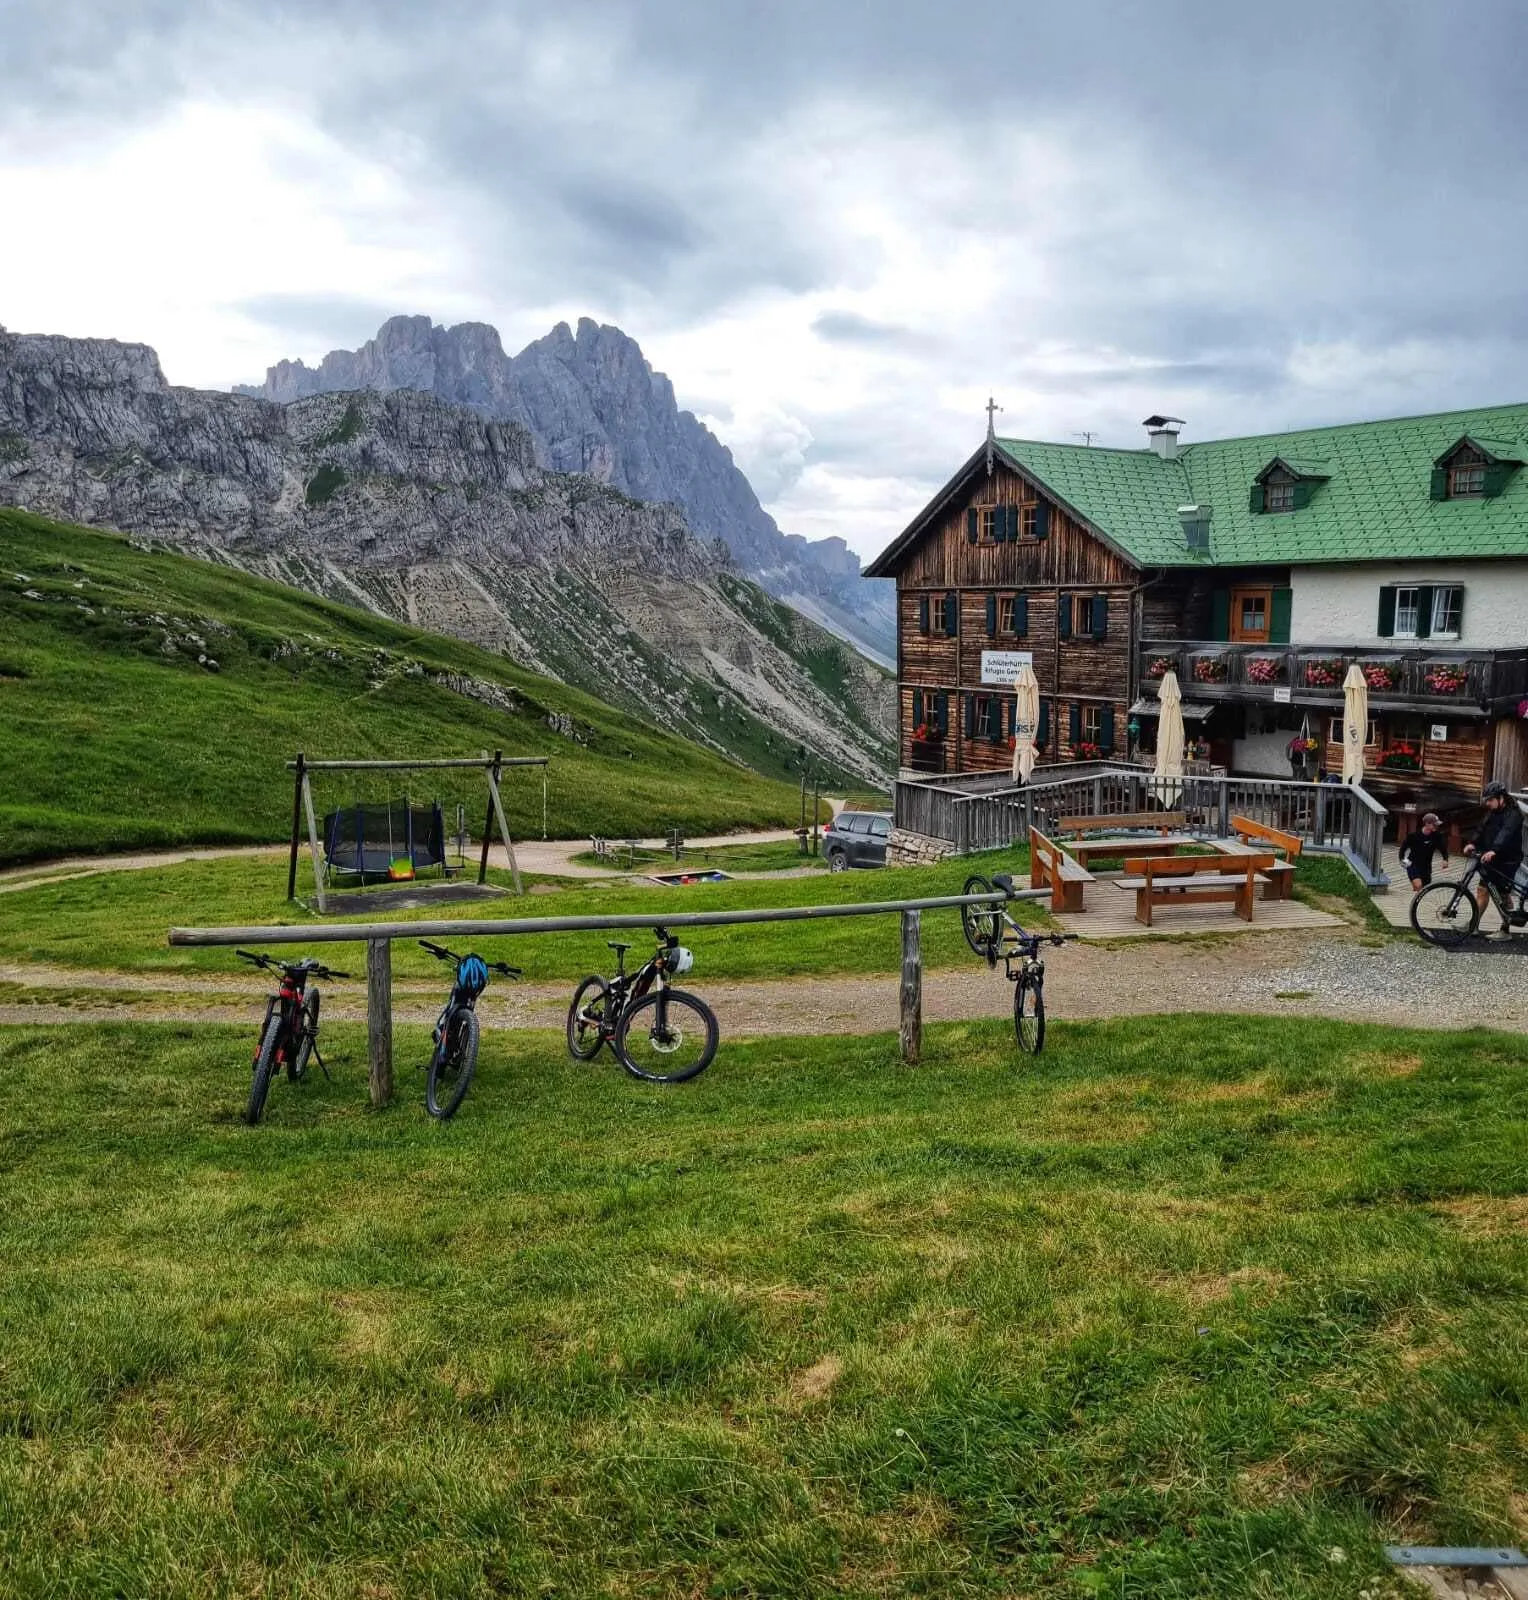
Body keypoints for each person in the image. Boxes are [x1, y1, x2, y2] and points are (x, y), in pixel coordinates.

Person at [1464, 781, 1525, 940]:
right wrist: (1472, 842)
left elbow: (1506, 833)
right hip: (1491, 856)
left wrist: (1494, 850)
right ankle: (1473, 925)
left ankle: (1505, 931)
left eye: (1490, 800)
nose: (1487, 803)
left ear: (1501, 798)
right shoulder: (1493, 812)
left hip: (1507, 860)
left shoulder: (1514, 814)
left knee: (1503, 895)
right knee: (1483, 889)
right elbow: (1482, 828)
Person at [1399, 813, 1448, 891]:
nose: (1437, 826)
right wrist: (1402, 859)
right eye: (1434, 825)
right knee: (1419, 885)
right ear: (1427, 824)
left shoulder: (1437, 836)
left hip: (1426, 867)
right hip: (1413, 864)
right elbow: (1403, 848)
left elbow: (1443, 849)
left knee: (1423, 889)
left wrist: (1445, 859)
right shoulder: (1413, 836)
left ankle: (1413, 901)